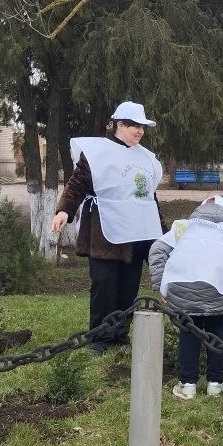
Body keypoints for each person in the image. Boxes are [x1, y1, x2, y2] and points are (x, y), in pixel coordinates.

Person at [51, 101, 166, 356]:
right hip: (104, 233)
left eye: (143, 127)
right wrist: (64, 210)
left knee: (128, 286)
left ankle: (119, 333)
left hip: (136, 235)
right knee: (104, 285)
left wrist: (162, 232)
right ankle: (99, 337)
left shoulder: (145, 158)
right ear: (119, 125)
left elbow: (148, 198)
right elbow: (77, 182)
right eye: (135, 126)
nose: (140, 131)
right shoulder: (96, 153)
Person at [148, 195, 223, 400]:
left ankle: (188, 384)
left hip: (183, 287)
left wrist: (161, 285)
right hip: (218, 291)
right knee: (217, 330)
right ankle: (215, 384)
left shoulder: (183, 227)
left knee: (188, 332)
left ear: (200, 209)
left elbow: (157, 250)